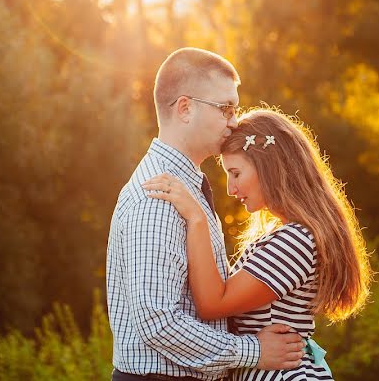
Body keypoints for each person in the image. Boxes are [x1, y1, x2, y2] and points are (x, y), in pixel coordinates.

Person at [107, 49, 306, 381]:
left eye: (235, 109)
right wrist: (254, 351)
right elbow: (158, 323)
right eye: (225, 108)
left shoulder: (184, 188)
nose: (233, 121)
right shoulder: (157, 196)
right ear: (185, 108)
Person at [142, 108, 372, 380]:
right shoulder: (289, 235)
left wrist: (196, 218)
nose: (230, 188)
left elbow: (213, 303)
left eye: (236, 173)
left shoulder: (295, 240)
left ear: (269, 168)